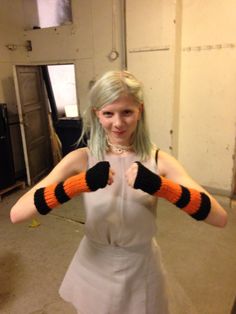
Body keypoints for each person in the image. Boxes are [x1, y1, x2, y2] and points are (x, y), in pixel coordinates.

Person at [10, 70, 227, 314]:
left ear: (139, 111)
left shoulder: (159, 160)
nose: (118, 123)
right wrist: (76, 185)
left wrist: (162, 187)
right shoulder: (80, 159)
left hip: (142, 266)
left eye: (127, 112)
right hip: (94, 264)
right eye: (108, 113)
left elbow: (219, 217)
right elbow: (18, 213)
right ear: (96, 115)